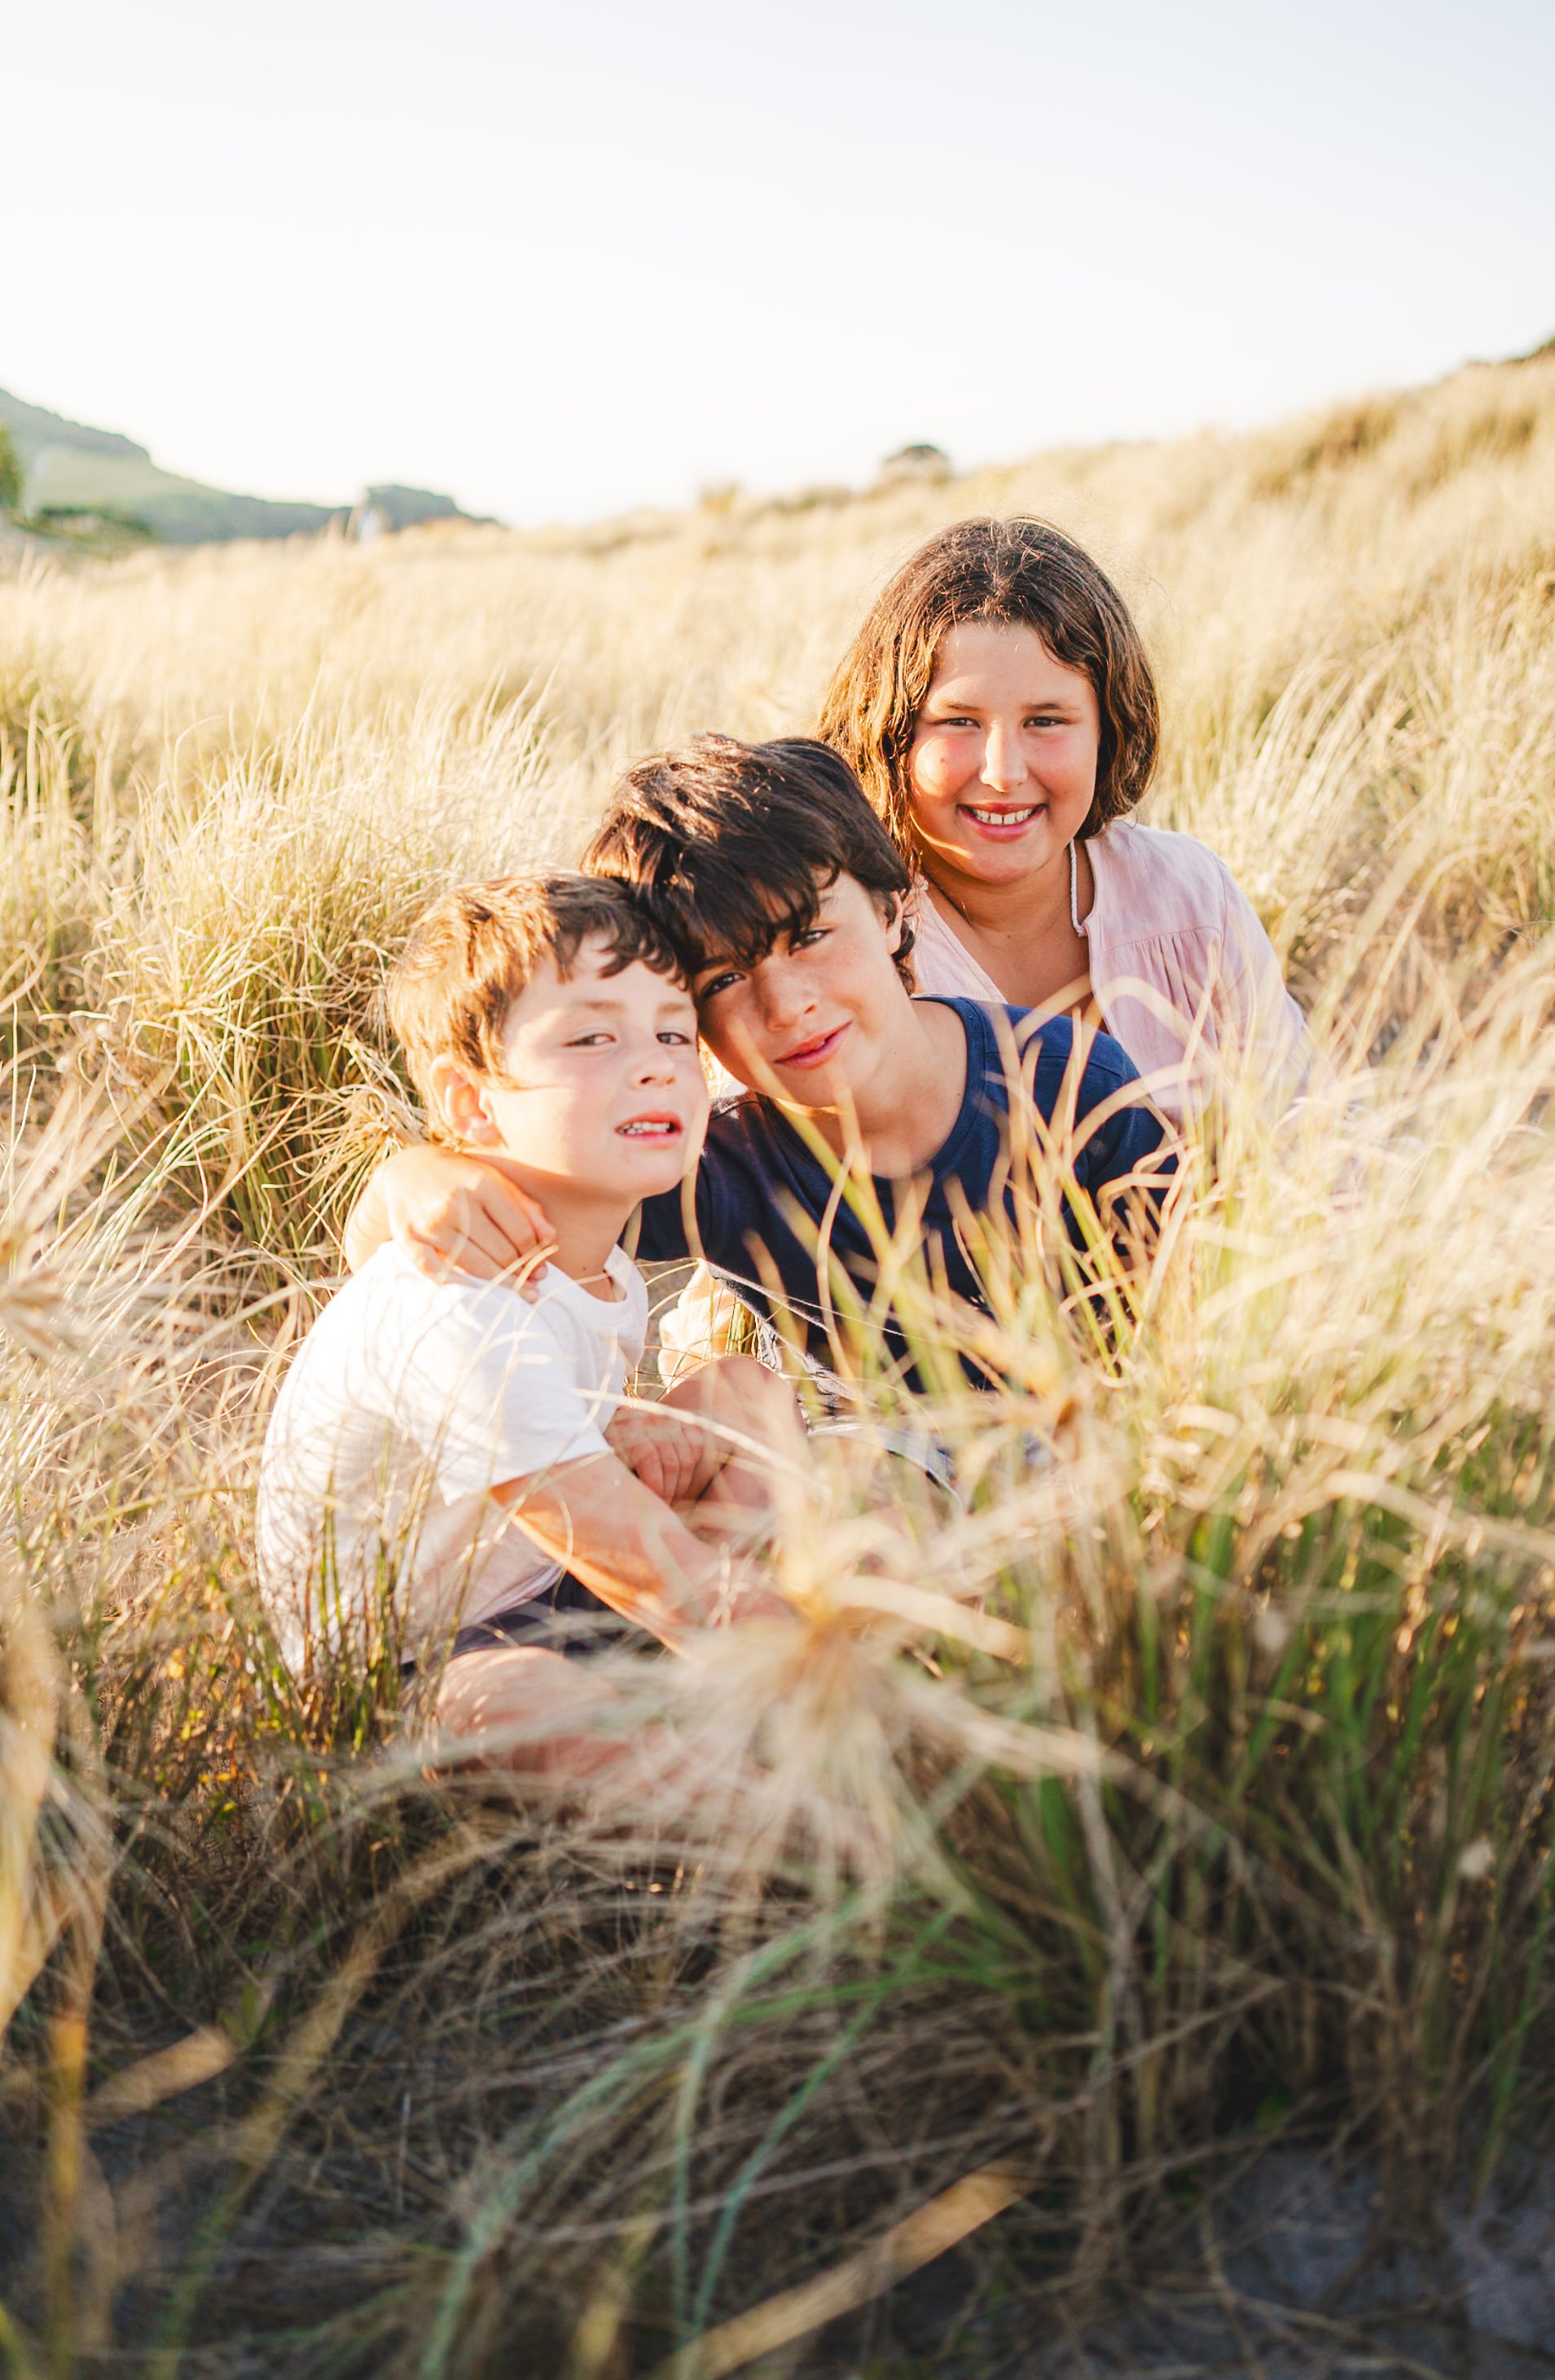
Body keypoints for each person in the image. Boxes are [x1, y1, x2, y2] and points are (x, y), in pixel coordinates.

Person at [342, 738, 1175, 1381]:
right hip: (887, 1473)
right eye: (725, 978)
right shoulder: (714, 1168)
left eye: (809, 935)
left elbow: (1194, 1320)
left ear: (890, 908)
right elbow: (394, 1240)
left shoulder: (1068, 1084)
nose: (785, 1006)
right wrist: (409, 1180)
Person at [257, 872, 801, 1781]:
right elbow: (630, 1556)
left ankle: (714, 1696)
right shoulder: (454, 1297)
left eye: (673, 1032)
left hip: (541, 1585)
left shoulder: (609, 1273)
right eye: (593, 1036)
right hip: (409, 1671)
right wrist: (853, 1684)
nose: (656, 1062)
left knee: (745, 1394)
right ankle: (792, 1823)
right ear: (473, 1105)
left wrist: (615, 1429)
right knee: (523, 1707)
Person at [819, 516, 1313, 1115]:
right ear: (891, 733)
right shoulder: (843, 943)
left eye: (1046, 720)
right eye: (958, 721)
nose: (1003, 773)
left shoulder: (1188, 894)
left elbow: (1314, 1128)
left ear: (1108, 729)